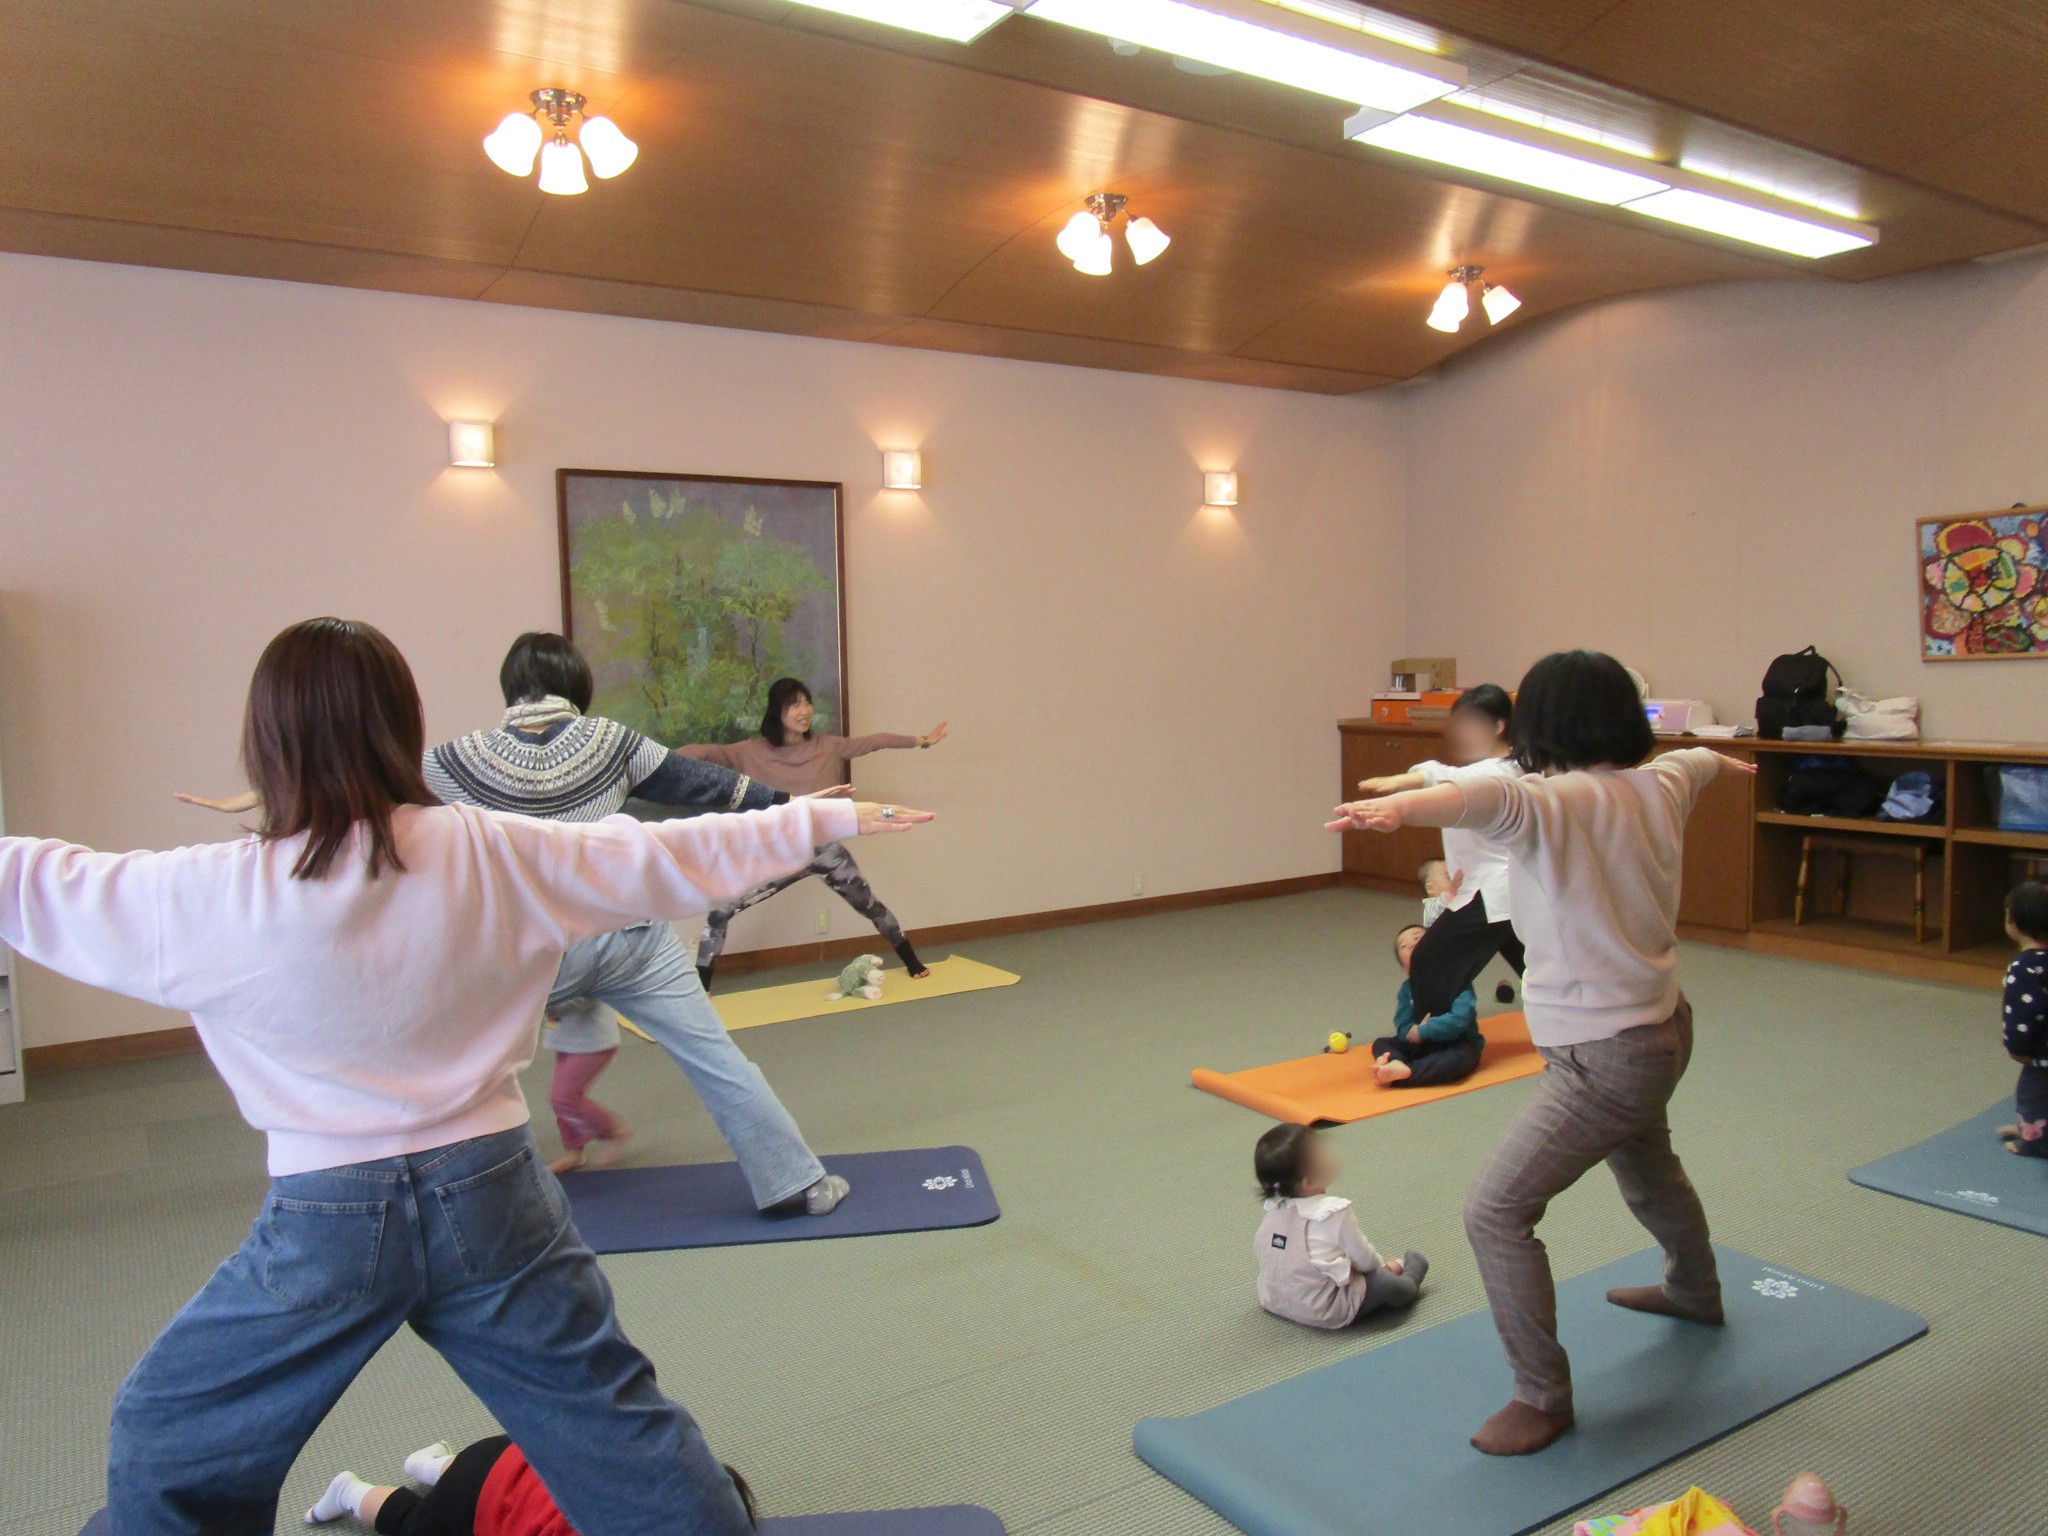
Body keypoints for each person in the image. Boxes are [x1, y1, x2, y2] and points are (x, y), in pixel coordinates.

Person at [45, 617, 929, 1535]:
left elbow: (38, 880)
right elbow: (663, 842)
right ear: (399, 721)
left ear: (268, 737)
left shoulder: (216, 884)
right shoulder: (494, 835)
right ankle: (788, 1181)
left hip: (331, 1219)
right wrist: (817, 817)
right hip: (495, 1188)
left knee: (166, 1434)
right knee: (616, 1426)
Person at [187, 631, 855, 1209]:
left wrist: (261, 793)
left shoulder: (453, 760)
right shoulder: (613, 741)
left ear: (511, 688)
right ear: (577, 684)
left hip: (532, 952)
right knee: (717, 1059)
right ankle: (795, 1184)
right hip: (630, 941)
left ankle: (461, 1203)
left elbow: (354, 786)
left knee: (466, 1075)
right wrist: (800, 806)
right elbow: (709, 787)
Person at [1330, 649, 1754, 1457]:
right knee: (1650, 1169)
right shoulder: (1661, 782)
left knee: (1495, 1212)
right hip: (1662, 1029)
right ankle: (1695, 1290)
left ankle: (1541, 1397)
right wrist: (1724, 761)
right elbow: (1697, 758)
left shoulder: (1556, 804)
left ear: (1542, 727)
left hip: (1603, 1057)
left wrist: (1402, 809)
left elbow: (1481, 794)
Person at [679, 677, 946, 986]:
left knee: (870, 905)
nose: (804, 710)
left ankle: (912, 961)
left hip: (825, 851)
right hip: (779, 852)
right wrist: (654, 759)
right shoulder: (750, 751)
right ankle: (702, 988)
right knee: (720, 912)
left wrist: (922, 740)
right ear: (777, 711)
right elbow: (706, 753)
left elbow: (876, 741)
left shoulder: (828, 746)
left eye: (807, 703)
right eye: (795, 705)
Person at [1355, 685, 1525, 1017]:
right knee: (1538, 968)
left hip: (1494, 892)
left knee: (1429, 963)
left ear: (1498, 726)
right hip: (1506, 892)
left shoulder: (1501, 771)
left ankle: (1434, 1036)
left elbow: (1453, 779)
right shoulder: (1505, 767)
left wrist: (1404, 784)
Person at [303, 1434, 755, 1535]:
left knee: (492, 1477)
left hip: (512, 1451)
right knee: (413, 1524)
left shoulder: (640, 1482)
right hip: (473, 1502)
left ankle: (431, 1464)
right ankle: (350, 1491)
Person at [1252, 1124, 1427, 1329]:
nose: (1330, 1153)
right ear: (1309, 1181)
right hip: (1323, 1308)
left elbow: (1265, 1252)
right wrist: (1383, 1268)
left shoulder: (1274, 1209)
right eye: (1321, 1153)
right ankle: (1412, 1276)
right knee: (1384, 1282)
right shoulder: (1333, 1213)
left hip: (1273, 1299)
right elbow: (1364, 1258)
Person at [1372, 924, 1482, 1088]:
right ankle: (1395, 1062)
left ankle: (1405, 1072)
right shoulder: (1407, 989)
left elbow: (1460, 1020)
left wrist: (1423, 1030)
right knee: (1381, 1043)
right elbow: (1402, 1023)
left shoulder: (1457, 980)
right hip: (1421, 1045)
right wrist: (1410, 1032)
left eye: (1418, 938)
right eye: (1404, 946)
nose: (1412, 944)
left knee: (1457, 1059)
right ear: (1404, 968)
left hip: (1457, 1043)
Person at [1998, 880, 2048, 1156]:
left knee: (2033, 1094)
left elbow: (2023, 1013)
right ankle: (2031, 1128)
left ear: (2013, 921)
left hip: (2042, 1050)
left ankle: (2035, 1140)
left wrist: (2017, 1047)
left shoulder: (2024, 966)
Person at [1418, 858, 1454, 928]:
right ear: (1430, 889)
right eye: (1449, 877)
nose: (1454, 879)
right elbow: (1441, 906)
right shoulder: (1431, 906)